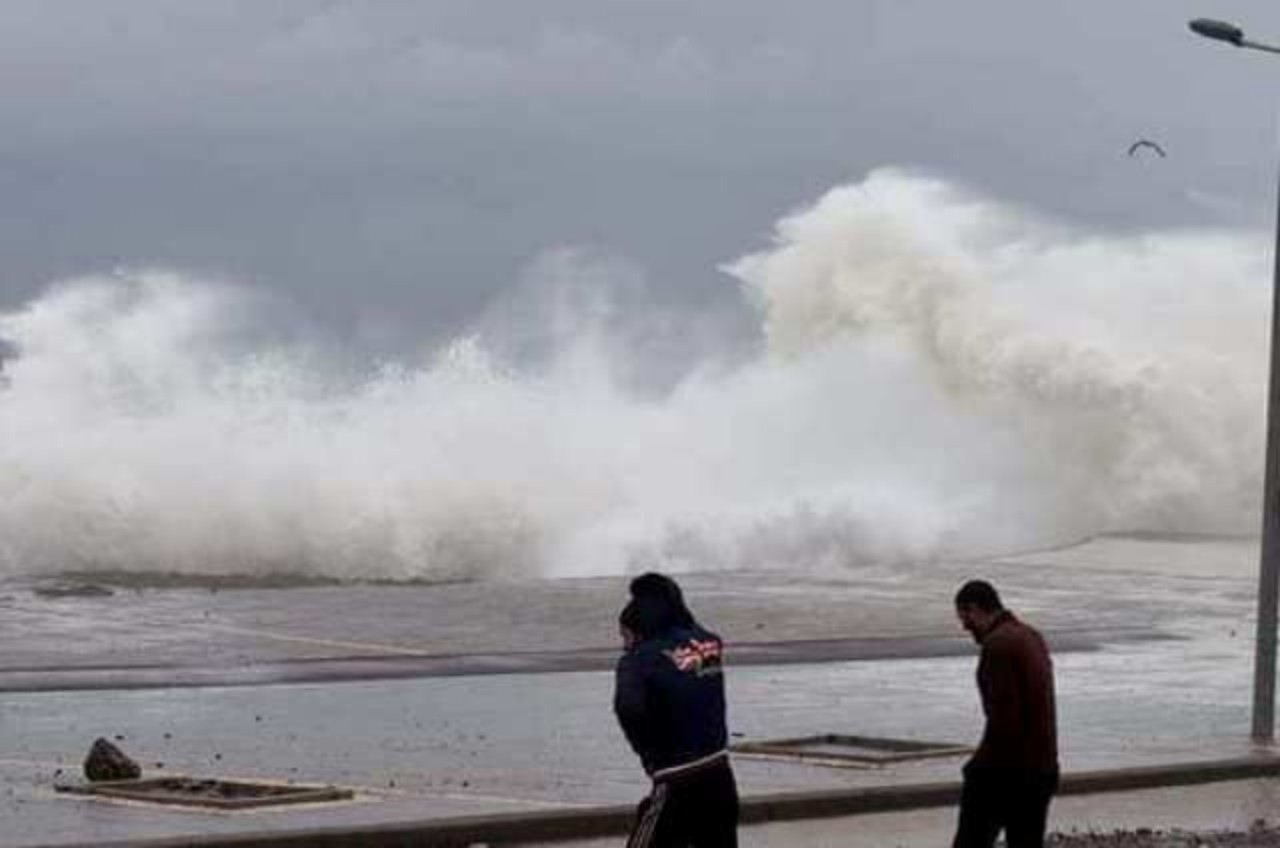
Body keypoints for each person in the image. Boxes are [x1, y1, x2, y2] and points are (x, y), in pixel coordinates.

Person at [614, 572, 739, 848]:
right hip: (720, 773)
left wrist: (650, 756)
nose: (624, 644)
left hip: (676, 780)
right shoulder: (710, 645)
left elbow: (629, 710)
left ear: (639, 628)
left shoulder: (637, 661)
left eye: (625, 636)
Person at [952, 579, 1059, 848]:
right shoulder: (1031, 636)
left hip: (1008, 774)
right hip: (1042, 768)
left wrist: (976, 767)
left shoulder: (998, 646)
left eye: (964, 617)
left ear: (975, 609)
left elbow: (1004, 721)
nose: (965, 626)